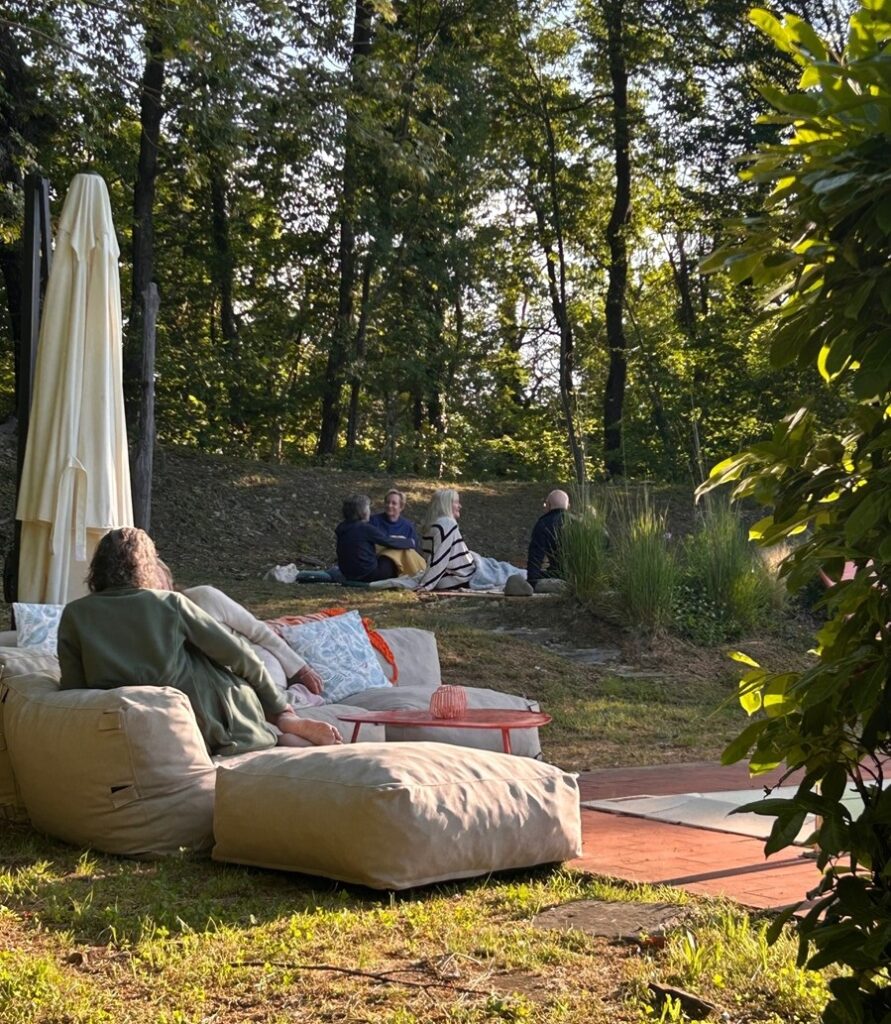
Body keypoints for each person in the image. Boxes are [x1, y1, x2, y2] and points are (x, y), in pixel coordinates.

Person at [58, 527, 341, 756]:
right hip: (205, 721)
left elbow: (72, 690)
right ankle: (284, 724)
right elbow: (239, 656)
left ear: (98, 567)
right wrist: (280, 707)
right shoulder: (169, 604)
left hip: (127, 720)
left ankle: (284, 729)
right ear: (146, 566)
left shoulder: (74, 614)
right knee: (209, 666)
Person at [153, 561, 324, 706]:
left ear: (168, 582)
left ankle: (300, 699)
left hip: (261, 671)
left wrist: (301, 669)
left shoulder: (203, 597)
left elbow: (258, 630)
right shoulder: (154, 626)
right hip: (220, 689)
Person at [335, 494, 417, 582]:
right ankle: (417, 573)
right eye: (368, 508)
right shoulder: (365, 528)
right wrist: (410, 542)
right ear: (363, 512)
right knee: (395, 553)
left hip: (347, 574)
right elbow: (388, 541)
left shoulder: (342, 527)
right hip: (368, 575)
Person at [418, 488, 476, 591]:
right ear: (446, 504)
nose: (460, 506)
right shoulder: (447, 524)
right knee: (504, 571)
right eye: (456, 502)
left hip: (448, 576)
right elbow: (440, 558)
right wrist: (426, 586)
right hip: (458, 578)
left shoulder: (432, 525)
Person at [526, 489, 570, 589]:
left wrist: (531, 582)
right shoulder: (579, 522)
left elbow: (536, 556)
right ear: (568, 506)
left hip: (561, 575)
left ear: (549, 505)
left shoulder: (544, 524)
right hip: (586, 576)